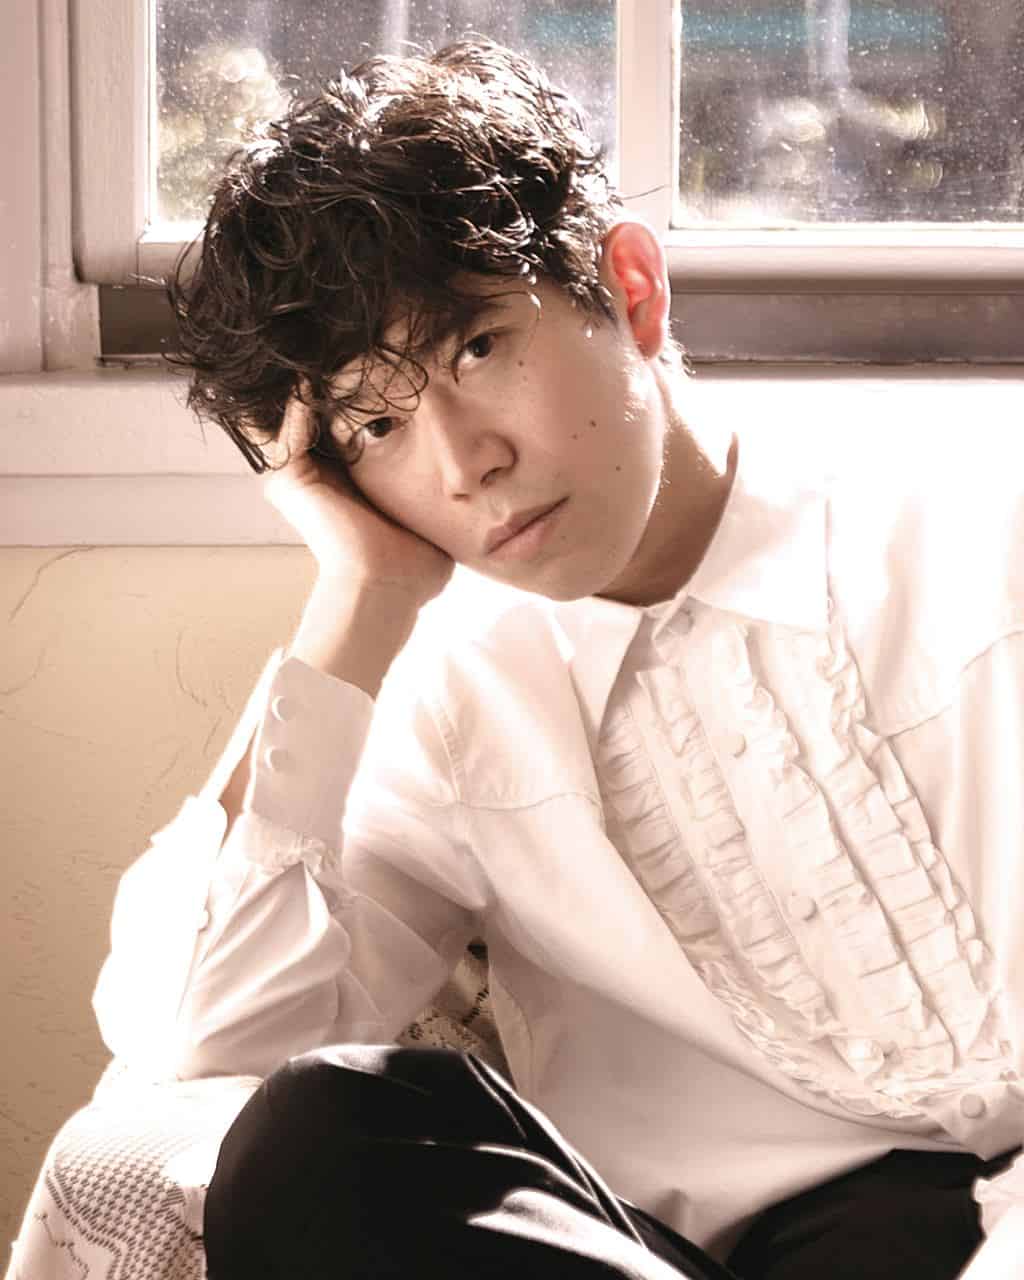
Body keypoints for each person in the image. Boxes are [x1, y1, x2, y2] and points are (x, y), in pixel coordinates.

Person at [92, 37, 1024, 1280]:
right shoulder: (448, 697)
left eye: (475, 349)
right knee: (316, 1134)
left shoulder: (974, 527)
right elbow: (198, 1035)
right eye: (376, 422)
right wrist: (360, 599)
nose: (461, 463)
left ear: (629, 287)